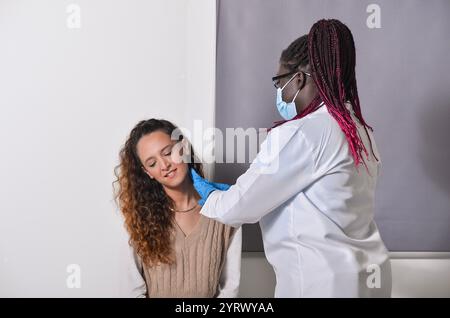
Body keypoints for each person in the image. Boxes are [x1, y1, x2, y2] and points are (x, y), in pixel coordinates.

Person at [191, 19, 392, 297]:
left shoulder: (303, 132)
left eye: (279, 81)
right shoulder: (360, 131)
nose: (278, 91)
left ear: (297, 79)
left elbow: (238, 208)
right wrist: (238, 194)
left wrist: (207, 195)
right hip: (369, 278)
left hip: (322, 284)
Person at [114, 119, 241, 298]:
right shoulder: (137, 220)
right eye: (152, 163)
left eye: (168, 152)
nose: (164, 165)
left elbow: (230, 288)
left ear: (184, 148)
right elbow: (131, 292)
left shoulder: (224, 209)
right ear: (147, 172)